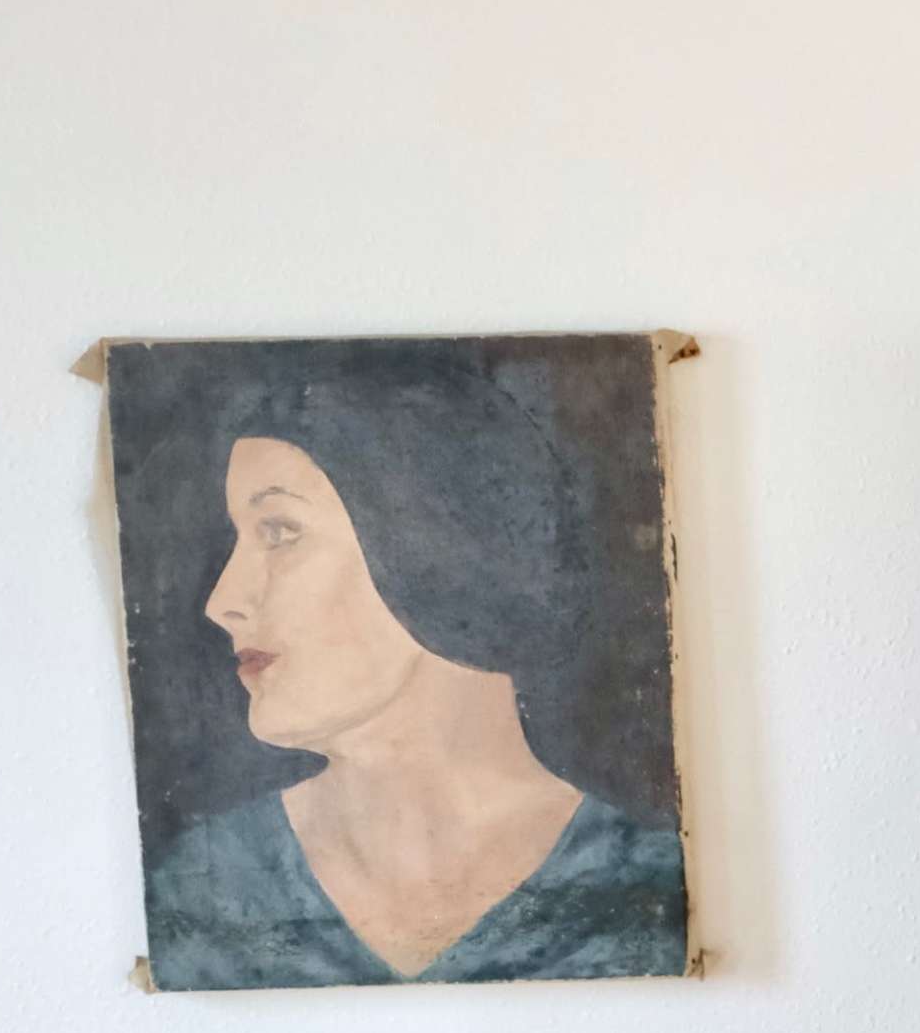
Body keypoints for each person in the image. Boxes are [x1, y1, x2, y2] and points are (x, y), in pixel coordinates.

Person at [142, 369, 683, 987]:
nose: (223, 601)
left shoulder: (648, 892)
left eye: (280, 532)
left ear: (433, 541)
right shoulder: (202, 889)